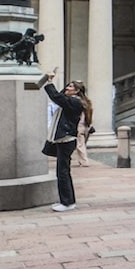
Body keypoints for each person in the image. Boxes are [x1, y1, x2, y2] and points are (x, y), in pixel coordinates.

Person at [40, 72, 84, 211]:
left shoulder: (74, 101)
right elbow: (59, 96)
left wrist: (50, 81)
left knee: (62, 171)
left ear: (77, 91)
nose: (67, 88)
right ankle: (68, 201)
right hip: (64, 138)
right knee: (63, 171)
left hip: (66, 139)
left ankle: (67, 202)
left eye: (71, 87)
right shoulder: (71, 100)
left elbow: (57, 97)